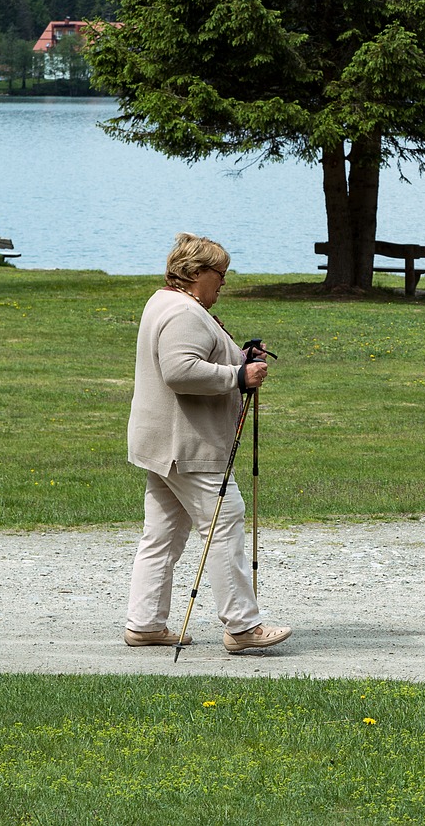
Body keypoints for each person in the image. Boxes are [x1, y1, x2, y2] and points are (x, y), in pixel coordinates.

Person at [124, 233, 292, 652]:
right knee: (224, 523)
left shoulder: (165, 301)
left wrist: (241, 355)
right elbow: (180, 371)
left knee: (162, 534)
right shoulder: (184, 312)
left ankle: (145, 624)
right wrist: (238, 376)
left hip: (165, 443)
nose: (223, 283)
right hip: (189, 445)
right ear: (196, 273)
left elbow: (196, 356)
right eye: (220, 275)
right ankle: (242, 627)